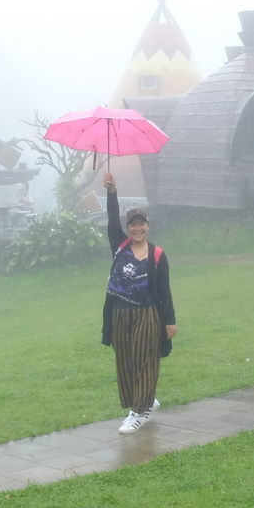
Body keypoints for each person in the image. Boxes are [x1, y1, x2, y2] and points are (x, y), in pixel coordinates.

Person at [102, 172, 176, 433]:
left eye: (141, 224)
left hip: (148, 315)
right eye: (132, 224)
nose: (137, 228)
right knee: (126, 362)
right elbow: (112, 220)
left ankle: (140, 411)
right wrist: (112, 192)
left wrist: (170, 321)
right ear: (128, 227)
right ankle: (144, 400)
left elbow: (164, 291)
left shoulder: (157, 255)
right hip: (121, 314)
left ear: (147, 225)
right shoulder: (119, 246)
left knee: (146, 360)